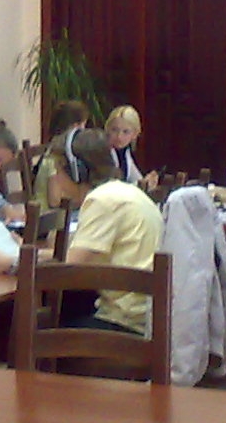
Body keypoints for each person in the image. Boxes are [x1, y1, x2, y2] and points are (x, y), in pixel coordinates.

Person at [60, 129, 163, 334]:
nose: (55, 178)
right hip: (147, 315)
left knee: (29, 328)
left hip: (124, 322)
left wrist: (16, 263)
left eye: (57, 171)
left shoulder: (101, 200)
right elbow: (89, 254)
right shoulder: (125, 191)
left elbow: (69, 269)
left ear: (77, 171)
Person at [34, 100, 92, 212]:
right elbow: (54, 201)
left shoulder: (59, 154)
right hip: (49, 219)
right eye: (83, 125)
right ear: (75, 127)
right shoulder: (53, 160)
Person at [105, 104, 159, 190]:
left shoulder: (126, 153)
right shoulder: (102, 152)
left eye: (125, 132)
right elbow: (113, 188)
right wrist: (140, 185)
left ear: (135, 134)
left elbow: (137, 180)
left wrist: (148, 182)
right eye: (114, 130)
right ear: (107, 129)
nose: (119, 136)